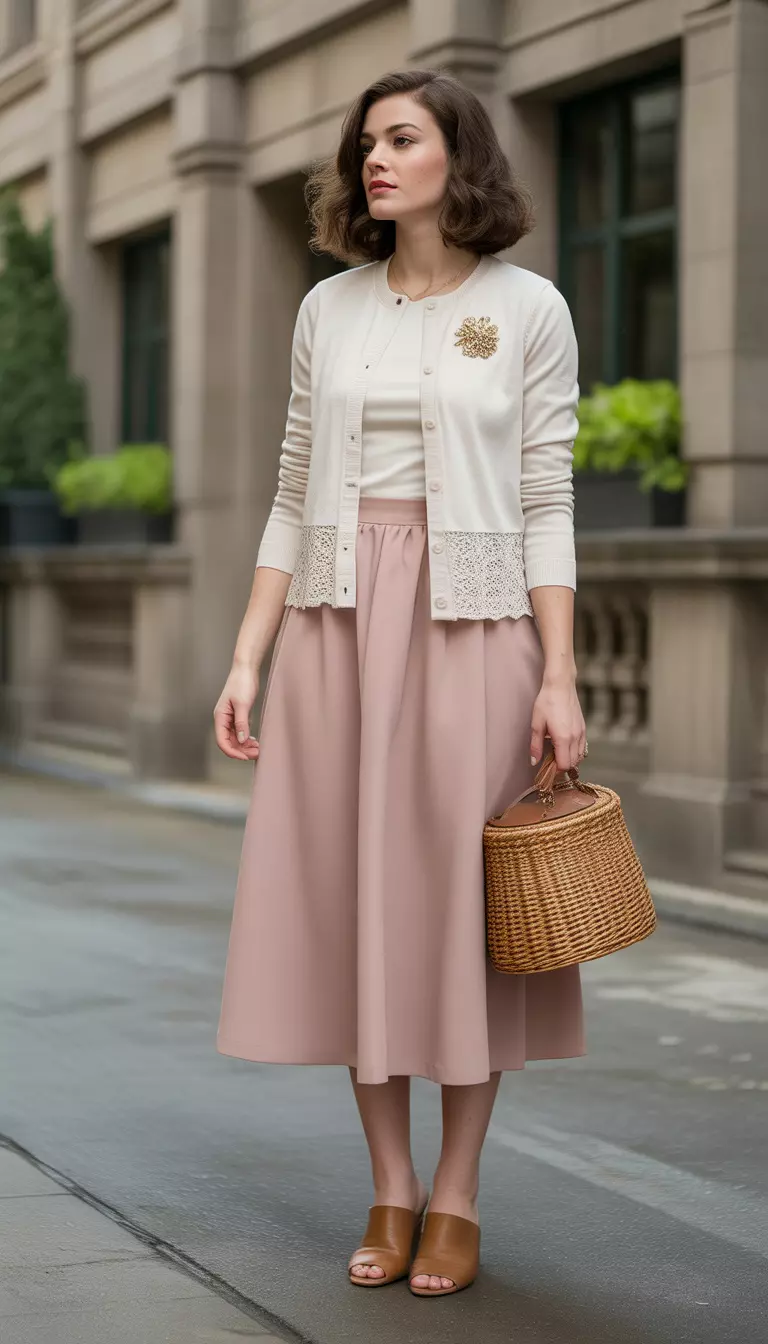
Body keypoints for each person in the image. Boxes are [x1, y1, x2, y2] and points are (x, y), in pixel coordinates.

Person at [214, 67, 587, 1299]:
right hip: (335, 627)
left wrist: (560, 674)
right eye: (366, 141)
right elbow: (290, 487)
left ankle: (458, 1195)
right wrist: (249, 654)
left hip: (476, 629)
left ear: (456, 157)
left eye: (403, 137)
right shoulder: (328, 308)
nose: (374, 158)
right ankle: (389, 1185)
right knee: (356, 904)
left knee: (464, 922)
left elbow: (546, 496)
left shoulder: (528, 308)